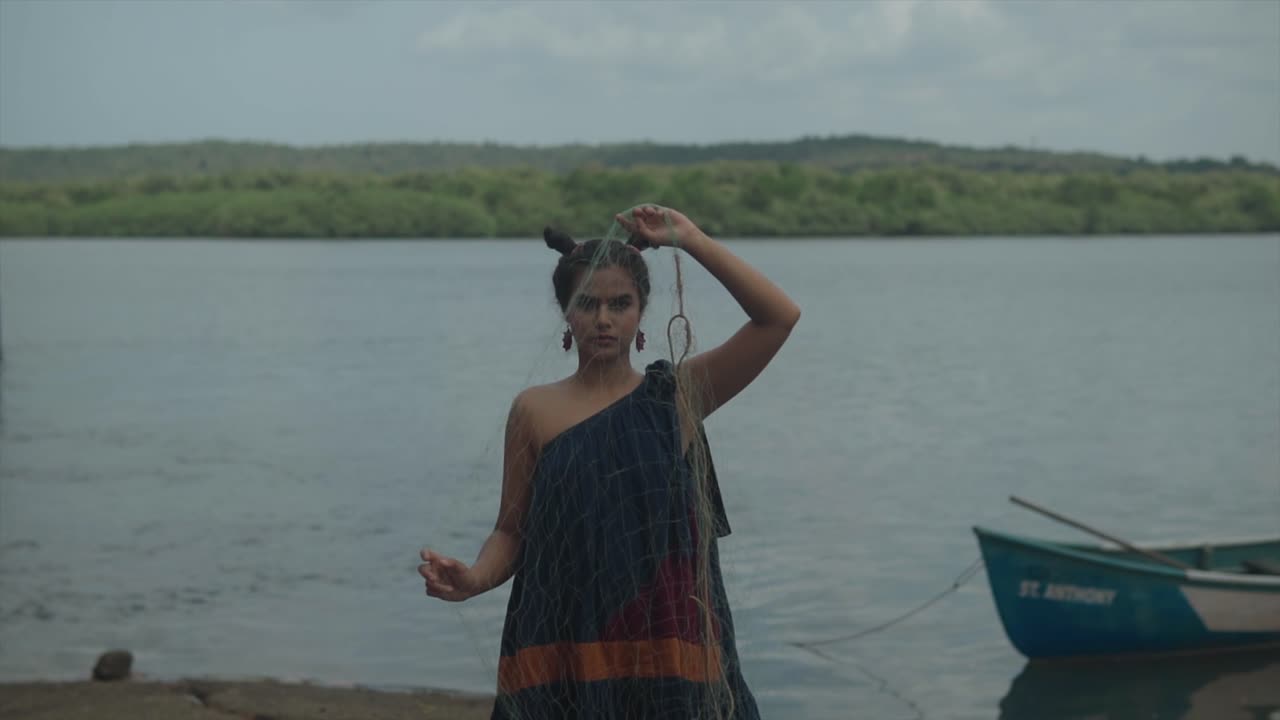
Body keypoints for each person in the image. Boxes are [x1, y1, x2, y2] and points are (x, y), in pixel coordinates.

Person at [419, 205, 801, 719]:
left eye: (620, 304)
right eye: (587, 304)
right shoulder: (534, 410)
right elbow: (512, 534)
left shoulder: (676, 399)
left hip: (668, 653)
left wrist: (689, 239)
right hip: (566, 647)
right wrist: (472, 580)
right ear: (565, 313)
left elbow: (778, 317)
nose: (603, 319)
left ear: (641, 311)